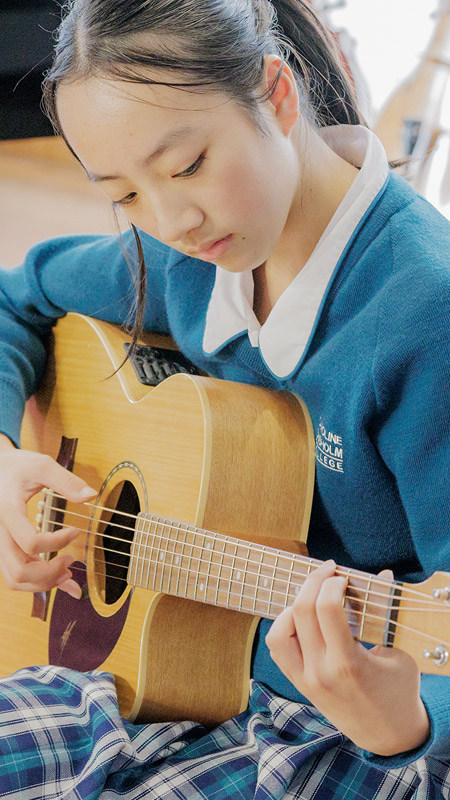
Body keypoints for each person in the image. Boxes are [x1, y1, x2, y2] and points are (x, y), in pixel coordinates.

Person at [0, 0, 449, 797]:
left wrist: (407, 725)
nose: (169, 219)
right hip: (160, 665)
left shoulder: (424, 314)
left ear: (278, 95)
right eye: (125, 195)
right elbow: (15, 299)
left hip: (343, 731)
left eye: (185, 167)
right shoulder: (191, 258)